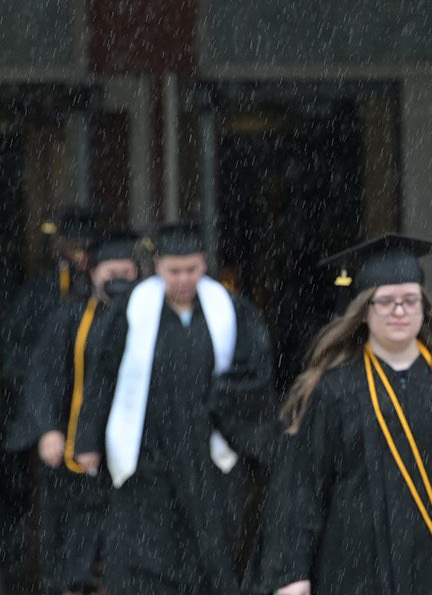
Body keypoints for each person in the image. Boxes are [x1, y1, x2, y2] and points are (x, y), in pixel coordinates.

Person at [248, 234, 432, 595]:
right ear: (364, 311)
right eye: (385, 302)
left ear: (424, 307)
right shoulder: (333, 392)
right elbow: (300, 493)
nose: (399, 311)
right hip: (351, 574)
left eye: (409, 301)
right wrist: (291, 575)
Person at [82, 223, 274, 594]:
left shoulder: (230, 310)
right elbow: (103, 373)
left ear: (204, 265)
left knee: (212, 554)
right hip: (148, 456)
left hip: (209, 456)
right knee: (144, 557)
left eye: (192, 269)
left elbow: (255, 374)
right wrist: (89, 439)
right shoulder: (131, 311)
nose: (184, 279)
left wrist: (228, 410)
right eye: (174, 271)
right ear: (157, 267)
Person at [2, 231, 139, 594]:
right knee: (71, 554)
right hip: (72, 460)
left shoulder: (147, 320)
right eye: (112, 271)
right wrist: (47, 429)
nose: (120, 280)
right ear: (93, 272)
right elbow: (43, 374)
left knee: (124, 551)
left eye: (128, 272)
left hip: (132, 459)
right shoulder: (70, 318)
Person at [0, 206, 100, 592]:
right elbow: (13, 353)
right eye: (71, 240)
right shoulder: (38, 293)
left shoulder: (101, 292)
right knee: (52, 512)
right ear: (57, 243)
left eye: (85, 242)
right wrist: (43, 395)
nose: (78, 250)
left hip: (91, 415)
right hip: (49, 420)